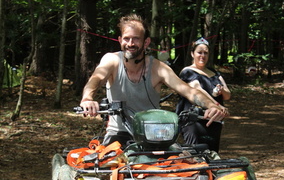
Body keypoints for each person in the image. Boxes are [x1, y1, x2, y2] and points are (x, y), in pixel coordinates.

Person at [80, 15, 229, 146]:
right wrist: (87, 98)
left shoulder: (158, 68)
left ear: (146, 42)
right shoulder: (111, 60)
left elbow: (188, 91)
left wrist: (211, 105)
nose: (130, 43)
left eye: (136, 39)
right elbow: (96, 79)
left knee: (176, 167)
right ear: (120, 40)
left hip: (153, 133)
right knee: (111, 167)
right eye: (126, 38)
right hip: (119, 132)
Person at [176, 37, 231, 152]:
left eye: (205, 53)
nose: (202, 56)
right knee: (195, 154)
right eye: (199, 52)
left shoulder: (214, 73)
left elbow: (227, 95)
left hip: (215, 119)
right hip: (195, 119)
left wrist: (222, 90)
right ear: (192, 54)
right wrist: (217, 106)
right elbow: (197, 89)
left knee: (212, 152)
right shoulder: (187, 71)